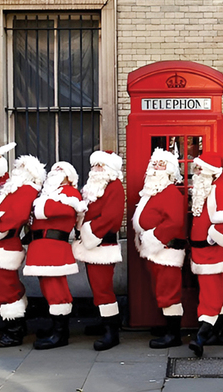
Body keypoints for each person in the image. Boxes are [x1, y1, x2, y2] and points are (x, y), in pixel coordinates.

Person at [0, 153, 46, 347]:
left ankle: (13, 332)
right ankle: (16, 325)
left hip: (4, 245)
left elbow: (18, 216)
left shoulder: (27, 189)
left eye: (22, 167)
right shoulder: (18, 186)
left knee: (6, 289)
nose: (17, 170)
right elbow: (7, 185)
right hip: (0, 245)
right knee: (7, 286)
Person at [24, 162, 85, 349]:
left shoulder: (71, 193)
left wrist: (38, 205)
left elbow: (56, 210)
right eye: (54, 169)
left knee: (56, 289)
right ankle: (55, 327)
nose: (54, 172)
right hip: (40, 246)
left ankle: (60, 334)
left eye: (61, 170)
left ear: (69, 176)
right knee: (47, 287)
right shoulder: (48, 194)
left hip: (54, 247)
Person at [131, 148, 187, 349]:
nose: (156, 168)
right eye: (154, 164)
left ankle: (174, 334)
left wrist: (153, 238)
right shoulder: (151, 192)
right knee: (160, 290)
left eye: (161, 164)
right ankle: (167, 326)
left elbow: (174, 222)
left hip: (165, 251)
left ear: (170, 169)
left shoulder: (171, 192)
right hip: (154, 251)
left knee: (168, 292)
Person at [187, 152, 223, 357]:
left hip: (213, 252)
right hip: (200, 251)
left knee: (209, 294)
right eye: (196, 169)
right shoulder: (204, 189)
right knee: (215, 291)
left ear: (211, 171)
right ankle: (220, 333)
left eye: (200, 169)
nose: (197, 172)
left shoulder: (220, 188)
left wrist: (212, 237)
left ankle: (201, 336)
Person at [72, 150, 125, 351]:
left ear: (110, 168)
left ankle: (112, 332)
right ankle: (105, 321)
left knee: (103, 290)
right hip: (92, 245)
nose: (96, 169)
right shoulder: (95, 187)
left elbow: (111, 218)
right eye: (95, 165)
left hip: (101, 244)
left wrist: (89, 232)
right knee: (96, 288)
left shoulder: (114, 186)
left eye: (101, 165)